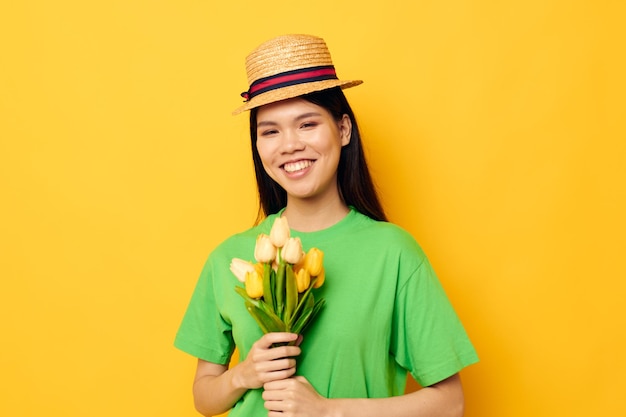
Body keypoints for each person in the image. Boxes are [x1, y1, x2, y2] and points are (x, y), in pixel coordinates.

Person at [174, 34, 478, 417]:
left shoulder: (393, 253)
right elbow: (204, 398)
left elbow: (450, 404)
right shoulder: (228, 258)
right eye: (270, 131)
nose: (289, 145)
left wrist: (327, 411)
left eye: (307, 124)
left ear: (344, 130)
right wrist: (244, 375)